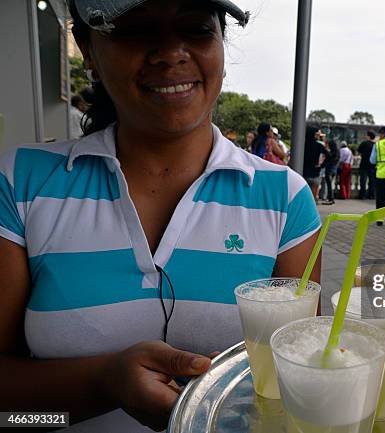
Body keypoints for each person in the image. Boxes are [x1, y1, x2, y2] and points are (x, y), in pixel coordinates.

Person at [0, 1, 321, 431]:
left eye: (196, 29)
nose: (171, 52)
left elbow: (302, 380)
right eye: (136, 30)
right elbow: (10, 417)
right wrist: (101, 384)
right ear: (87, 48)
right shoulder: (19, 181)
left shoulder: (285, 198)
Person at [303, 126, 329, 201]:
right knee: (312, 199)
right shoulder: (319, 146)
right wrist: (321, 165)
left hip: (303, 173)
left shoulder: (301, 145)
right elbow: (329, 156)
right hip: (315, 172)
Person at [357, 131, 376, 199]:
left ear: (368, 136)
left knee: (363, 182)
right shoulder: (375, 145)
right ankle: (371, 195)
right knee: (372, 182)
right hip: (372, 165)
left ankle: (362, 195)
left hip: (364, 165)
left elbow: (359, 151)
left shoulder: (364, 143)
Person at [322, 140, 339, 204]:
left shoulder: (331, 153)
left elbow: (327, 160)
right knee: (330, 184)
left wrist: (321, 166)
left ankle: (330, 198)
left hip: (329, 170)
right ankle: (331, 198)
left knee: (329, 185)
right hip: (334, 170)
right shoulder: (337, 152)